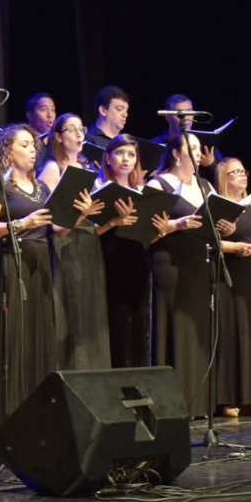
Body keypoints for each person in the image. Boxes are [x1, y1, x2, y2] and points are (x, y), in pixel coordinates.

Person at [0, 124, 56, 419]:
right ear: (7, 151)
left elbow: (57, 228)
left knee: (39, 332)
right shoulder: (1, 185)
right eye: (24, 145)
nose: (32, 150)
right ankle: (9, 407)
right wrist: (21, 225)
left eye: (33, 145)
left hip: (41, 262)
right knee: (14, 334)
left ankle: (39, 404)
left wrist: (82, 213)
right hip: (12, 260)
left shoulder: (42, 188)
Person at [145, 132, 213, 414]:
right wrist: (178, 224)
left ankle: (196, 402)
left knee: (194, 333)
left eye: (199, 148)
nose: (198, 153)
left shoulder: (206, 186)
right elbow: (147, 231)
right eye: (192, 147)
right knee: (171, 329)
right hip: (168, 263)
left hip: (198, 264)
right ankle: (169, 402)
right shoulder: (159, 184)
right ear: (175, 153)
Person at [39, 113, 111, 370]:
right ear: (58, 136)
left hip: (87, 241)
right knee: (73, 310)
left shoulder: (85, 168)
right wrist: (83, 212)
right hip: (66, 242)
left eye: (81, 129)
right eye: (71, 130)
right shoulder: (51, 168)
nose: (80, 134)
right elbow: (51, 217)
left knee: (91, 311)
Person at [211, 157, 251, 415]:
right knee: (233, 333)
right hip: (231, 274)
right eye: (235, 173)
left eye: (243, 171)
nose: (242, 176)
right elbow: (211, 240)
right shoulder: (220, 205)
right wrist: (231, 234)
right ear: (224, 178)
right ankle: (229, 397)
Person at [95, 134, 150, 368]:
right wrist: (113, 222)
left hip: (138, 259)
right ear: (108, 158)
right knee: (117, 322)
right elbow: (89, 233)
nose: (125, 159)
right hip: (110, 259)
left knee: (140, 322)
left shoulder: (142, 191)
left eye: (131, 154)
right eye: (119, 153)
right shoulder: (99, 189)